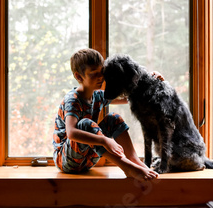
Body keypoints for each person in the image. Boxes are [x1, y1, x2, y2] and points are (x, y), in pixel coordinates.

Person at [53, 48, 159, 181]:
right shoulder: (73, 100)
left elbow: (130, 97)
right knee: (85, 124)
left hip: (88, 159)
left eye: (101, 72)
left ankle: (135, 162)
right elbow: (71, 133)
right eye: (93, 74)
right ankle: (127, 167)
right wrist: (104, 140)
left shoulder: (98, 96)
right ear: (79, 77)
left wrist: (152, 80)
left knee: (113, 118)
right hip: (67, 161)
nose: (100, 77)